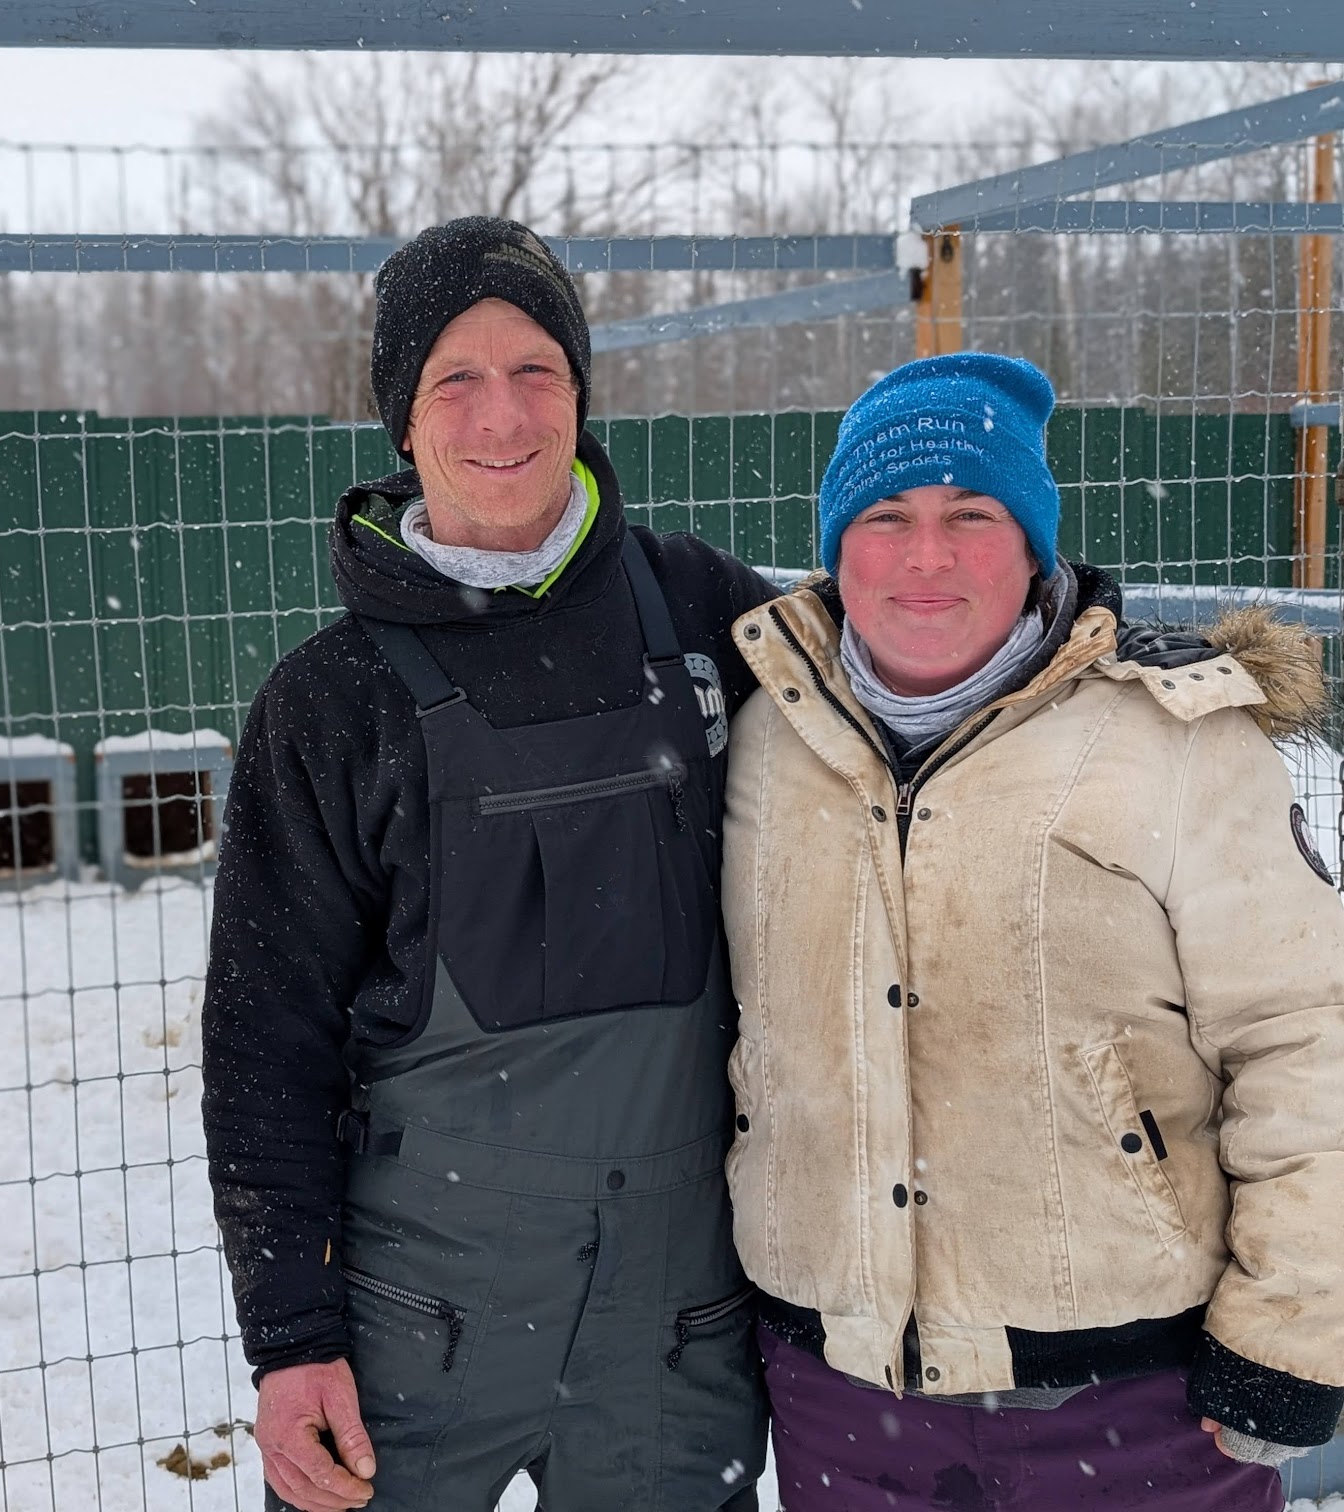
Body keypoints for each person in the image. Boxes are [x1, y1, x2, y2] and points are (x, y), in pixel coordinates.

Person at [201, 216, 775, 1511]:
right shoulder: (330, 702)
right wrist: (292, 1341)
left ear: (582, 392)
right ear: (402, 424)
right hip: (423, 1310)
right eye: (455, 379)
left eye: (538, 372)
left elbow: (913, 688)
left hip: (675, 1320)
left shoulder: (699, 614)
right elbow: (263, 1045)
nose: (501, 414)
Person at [721, 351, 1344, 1510]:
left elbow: (1309, 1038)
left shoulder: (1180, 744)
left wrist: (1290, 1328)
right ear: (834, 544)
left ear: (1033, 544)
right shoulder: (761, 739)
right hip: (845, 1395)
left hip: (1137, 1398)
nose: (926, 555)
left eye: (971, 513)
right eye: (886, 516)